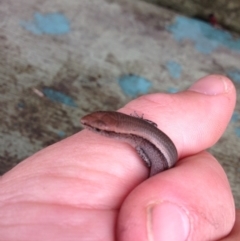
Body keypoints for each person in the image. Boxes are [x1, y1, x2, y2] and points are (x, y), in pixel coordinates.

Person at [0, 75, 239, 240]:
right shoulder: (133, 135)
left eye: (98, 129)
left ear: (115, 131)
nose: (89, 128)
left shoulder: (138, 138)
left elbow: (148, 148)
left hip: (163, 163)